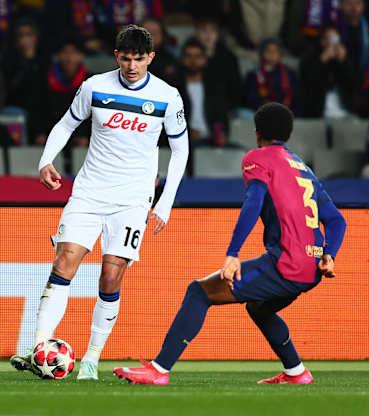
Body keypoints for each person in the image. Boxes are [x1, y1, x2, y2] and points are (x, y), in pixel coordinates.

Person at [113, 102, 347, 385]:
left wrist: (233, 253)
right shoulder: (303, 168)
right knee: (259, 307)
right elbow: (337, 221)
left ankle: (159, 369)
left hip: (287, 264)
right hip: (313, 267)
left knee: (199, 292)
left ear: (257, 133)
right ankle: (297, 372)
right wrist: (329, 254)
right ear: (289, 133)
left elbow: (253, 203)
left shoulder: (258, 158)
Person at [10, 25, 188, 381]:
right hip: (89, 193)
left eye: (139, 59)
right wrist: (46, 160)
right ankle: (39, 347)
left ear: (151, 58)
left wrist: (165, 202)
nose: (132, 66)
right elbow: (65, 125)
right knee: (64, 261)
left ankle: (91, 357)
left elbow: (181, 150)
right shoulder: (94, 87)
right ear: (116, 56)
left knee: (110, 275)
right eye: (126, 58)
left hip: (133, 200)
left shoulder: (168, 97)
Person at [300, 25, 354, 117]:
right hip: (318, 110)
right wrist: (322, 61)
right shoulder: (310, 57)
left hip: (342, 108)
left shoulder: (343, 57)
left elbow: (351, 86)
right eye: (329, 39)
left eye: (335, 39)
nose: (333, 43)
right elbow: (308, 84)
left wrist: (343, 63)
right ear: (322, 41)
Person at [244, 38, 300, 115]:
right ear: (262, 53)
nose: (272, 54)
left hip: (286, 113)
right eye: (268, 51)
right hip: (261, 113)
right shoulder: (253, 74)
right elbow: (250, 97)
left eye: (275, 51)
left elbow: (295, 95)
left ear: (280, 54)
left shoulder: (289, 73)